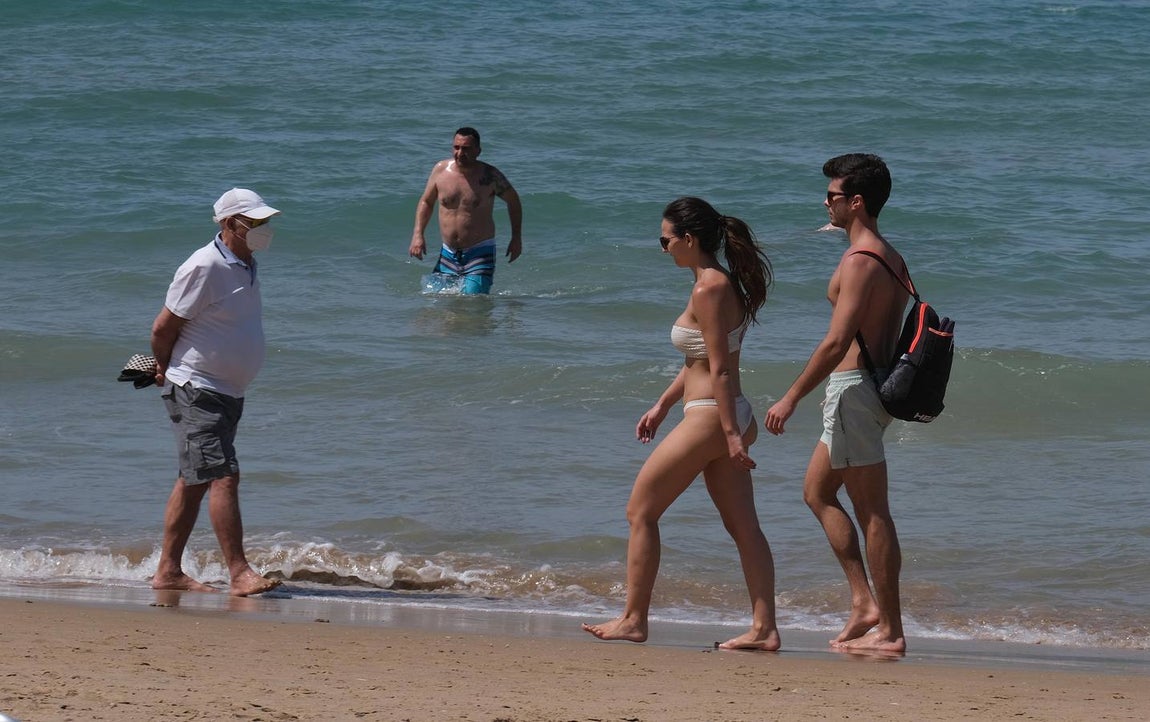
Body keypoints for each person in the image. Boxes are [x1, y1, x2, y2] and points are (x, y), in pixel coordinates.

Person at [582, 197, 780, 650]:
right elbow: (701, 360)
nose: (663, 248)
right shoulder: (715, 282)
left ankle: (634, 619)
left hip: (714, 416)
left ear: (689, 240)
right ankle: (765, 628)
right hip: (718, 412)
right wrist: (663, 405)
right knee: (744, 527)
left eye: (665, 240)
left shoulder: (707, 289)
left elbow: (722, 370)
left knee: (641, 512)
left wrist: (731, 436)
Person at [764, 153, 909, 654]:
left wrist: (790, 397)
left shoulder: (859, 260)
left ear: (856, 202)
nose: (825, 203)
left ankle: (889, 628)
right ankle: (864, 602)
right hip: (875, 389)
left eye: (832, 196)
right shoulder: (892, 256)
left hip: (852, 391)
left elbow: (836, 340)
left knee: (874, 513)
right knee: (817, 492)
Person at [149, 187, 283, 597]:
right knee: (224, 474)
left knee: (195, 478)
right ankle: (239, 573)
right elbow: (163, 327)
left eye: (265, 222)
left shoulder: (246, 263)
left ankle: (168, 571)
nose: (263, 229)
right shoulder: (203, 266)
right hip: (197, 387)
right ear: (230, 225)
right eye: (254, 223)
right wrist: (164, 367)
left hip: (226, 390)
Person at [409, 127, 523, 294]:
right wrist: (418, 235)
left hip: (480, 253)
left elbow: (514, 202)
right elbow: (426, 202)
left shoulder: (490, 176)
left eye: (466, 148)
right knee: (434, 304)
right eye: (456, 147)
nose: (460, 153)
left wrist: (516, 238)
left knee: (473, 304)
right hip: (448, 253)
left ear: (478, 151)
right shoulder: (440, 170)